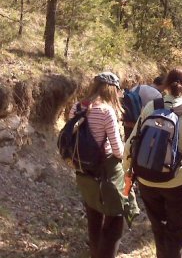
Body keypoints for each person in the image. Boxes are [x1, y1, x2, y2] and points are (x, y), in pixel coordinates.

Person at [124, 68, 182, 258]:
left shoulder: (151, 106)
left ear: (166, 83)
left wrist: (128, 172)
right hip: (177, 184)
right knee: (177, 232)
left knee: (159, 230)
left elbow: (131, 143)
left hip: (147, 180)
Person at [69, 72, 138, 258]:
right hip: (106, 171)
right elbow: (117, 149)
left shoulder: (76, 107)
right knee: (116, 217)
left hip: (83, 169)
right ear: (112, 89)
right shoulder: (106, 110)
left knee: (94, 215)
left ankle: (95, 254)